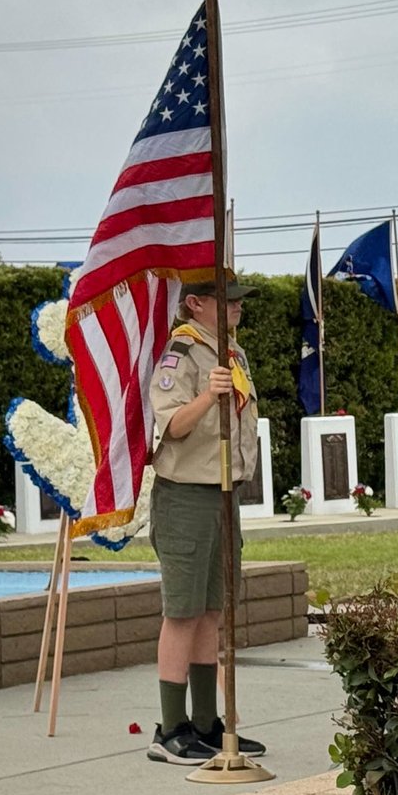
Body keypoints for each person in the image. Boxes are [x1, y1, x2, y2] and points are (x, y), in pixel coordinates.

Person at [145, 278, 267, 765]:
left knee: (214, 611)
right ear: (196, 303)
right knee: (182, 612)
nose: (237, 306)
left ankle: (204, 723)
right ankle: (169, 728)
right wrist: (205, 394)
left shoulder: (231, 352)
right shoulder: (181, 353)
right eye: (228, 299)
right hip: (186, 496)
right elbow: (170, 425)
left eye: (239, 299)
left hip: (223, 494)